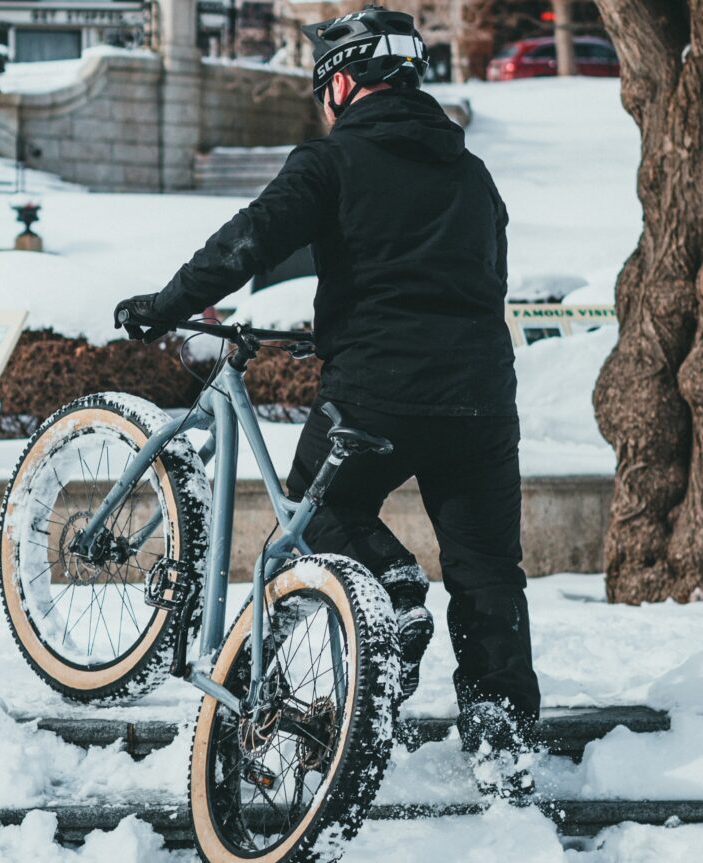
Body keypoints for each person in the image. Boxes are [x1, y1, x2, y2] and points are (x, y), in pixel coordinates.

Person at [114, 4, 541, 799]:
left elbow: (249, 241)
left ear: (344, 82)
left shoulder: (331, 162)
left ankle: (393, 589)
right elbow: (477, 280)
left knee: (318, 513)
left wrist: (167, 304)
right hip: (482, 398)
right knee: (488, 571)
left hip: (376, 393)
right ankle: (504, 742)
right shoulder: (472, 173)